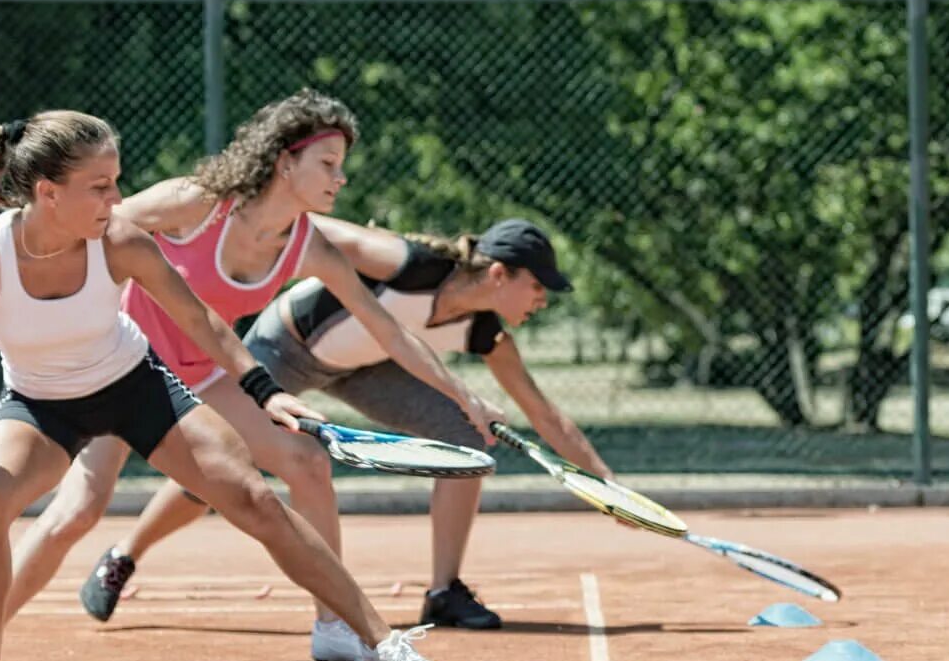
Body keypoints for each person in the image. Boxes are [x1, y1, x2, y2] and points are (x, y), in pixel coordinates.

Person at [0, 110, 449, 661]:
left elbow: (200, 320)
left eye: (116, 181)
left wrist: (265, 392)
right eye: (100, 186)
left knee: (252, 496)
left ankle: (384, 646)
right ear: (47, 193)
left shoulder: (119, 241)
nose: (118, 198)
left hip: (135, 387)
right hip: (40, 406)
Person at [70, 216, 614, 632]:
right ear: (499, 274)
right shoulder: (407, 263)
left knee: (468, 440)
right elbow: (311, 228)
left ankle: (443, 591)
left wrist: (606, 486)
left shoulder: (485, 333)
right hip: (284, 346)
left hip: (363, 369)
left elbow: (545, 413)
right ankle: (124, 556)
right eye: (538, 286)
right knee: (227, 463)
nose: (543, 300)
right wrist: (248, 222)